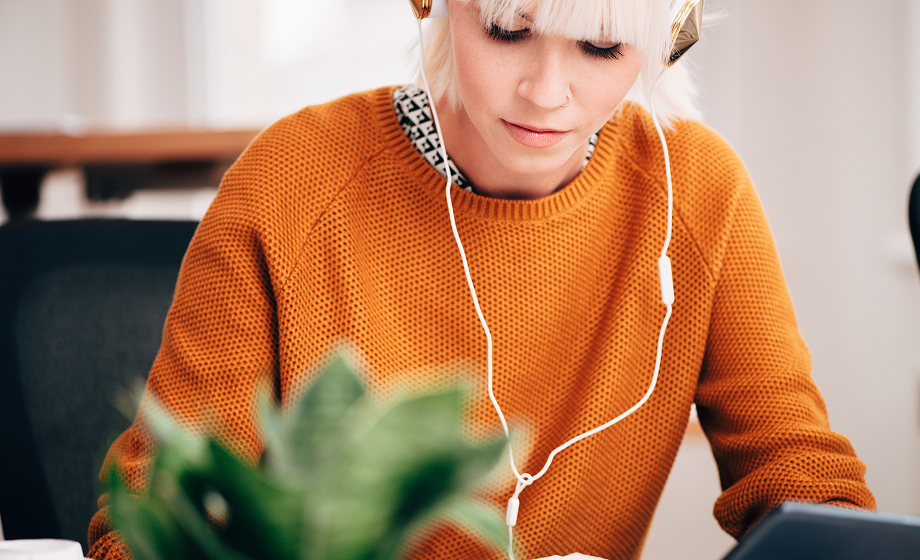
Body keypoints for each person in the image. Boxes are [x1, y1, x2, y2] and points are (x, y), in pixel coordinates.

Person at [87, 0, 876, 559]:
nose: (545, 92)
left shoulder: (699, 192)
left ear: (669, 34)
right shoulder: (291, 184)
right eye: (506, 29)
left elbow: (800, 479)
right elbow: (146, 526)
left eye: (601, 48)